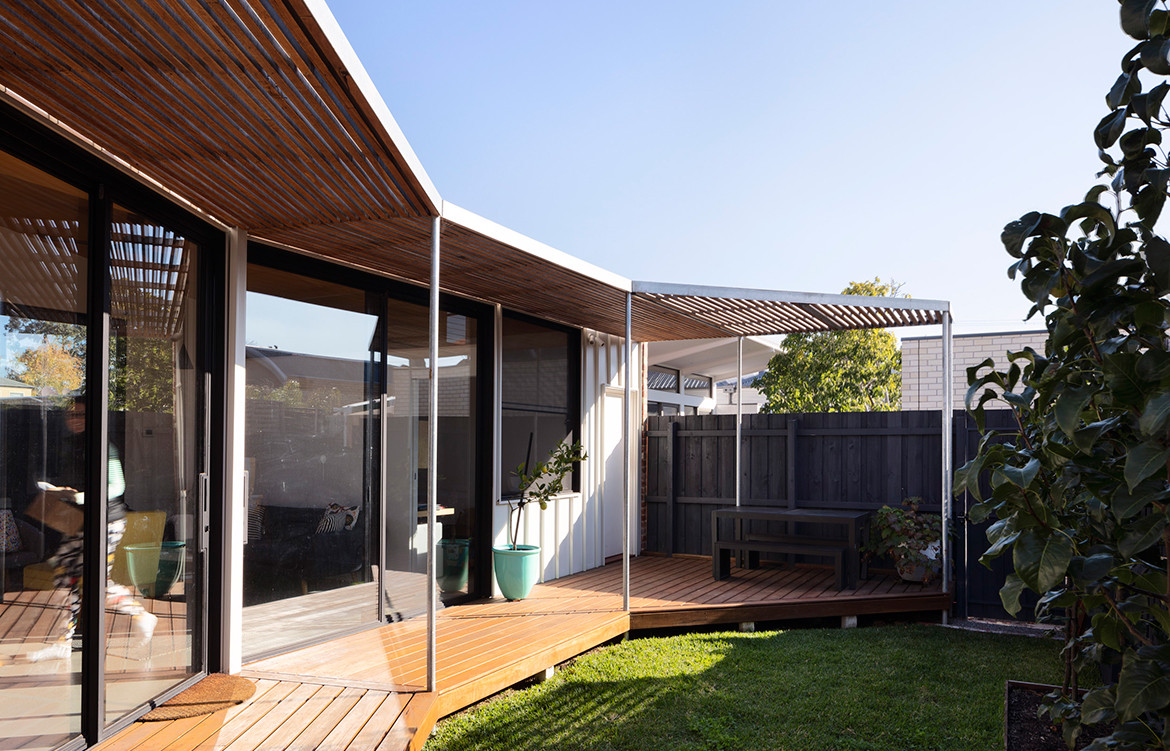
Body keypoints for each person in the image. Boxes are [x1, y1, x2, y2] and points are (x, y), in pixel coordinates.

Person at [25, 395, 157, 662]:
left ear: (93, 417)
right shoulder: (69, 445)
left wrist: (79, 497)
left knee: (97, 582)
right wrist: (58, 492)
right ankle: (63, 642)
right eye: (71, 415)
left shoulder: (103, 446)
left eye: (81, 415)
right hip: (77, 522)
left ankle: (142, 616)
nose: (75, 420)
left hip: (106, 522)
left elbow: (116, 487)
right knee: (65, 578)